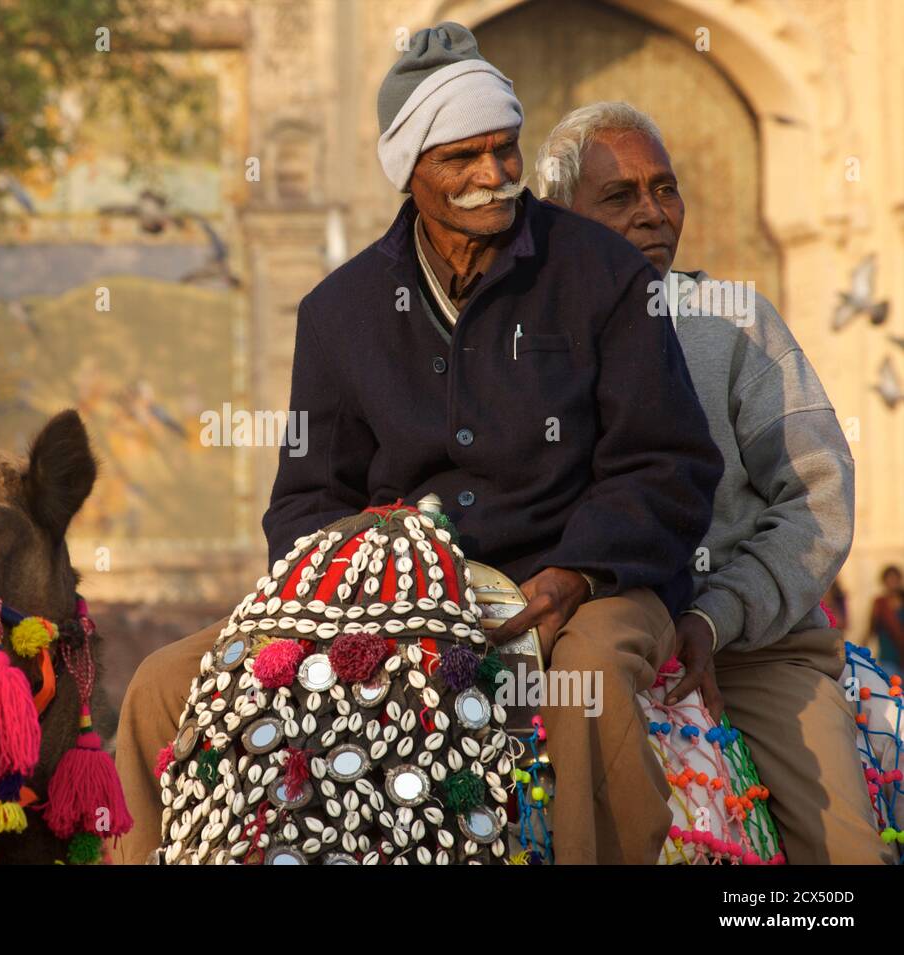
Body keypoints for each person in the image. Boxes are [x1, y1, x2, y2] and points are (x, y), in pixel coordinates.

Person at [113, 25, 723, 865]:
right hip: (397, 601)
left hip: (585, 583)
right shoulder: (340, 310)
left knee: (587, 684)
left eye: (504, 150)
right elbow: (304, 499)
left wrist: (575, 573)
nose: (492, 176)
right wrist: (364, 588)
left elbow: (667, 463)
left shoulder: (602, 275)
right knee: (160, 685)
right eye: (461, 157)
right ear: (410, 170)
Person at [536, 100, 892, 863]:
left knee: (846, 854)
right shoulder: (524, 339)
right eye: (620, 197)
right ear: (559, 216)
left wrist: (716, 616)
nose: (652, 214)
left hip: (753, 650)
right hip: (588, 641)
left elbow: (818, 499)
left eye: (664, 190)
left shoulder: (729, 323)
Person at [869, 565, 904, 674]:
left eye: (894, 578)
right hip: (887, 656)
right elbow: (871, 629)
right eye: (889, 579)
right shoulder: (880, 603)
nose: (892, 582)